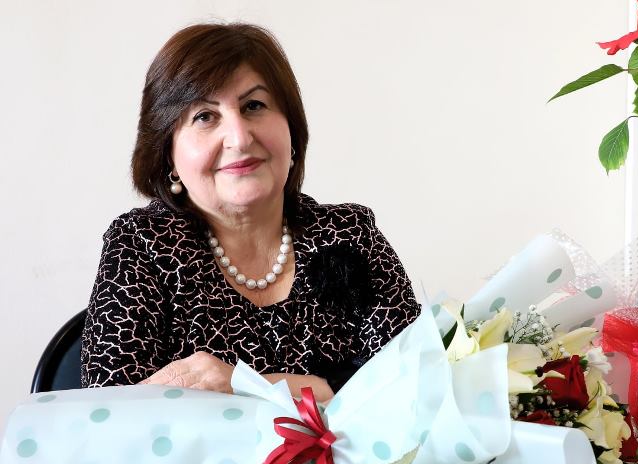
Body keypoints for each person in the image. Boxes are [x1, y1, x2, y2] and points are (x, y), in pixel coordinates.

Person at [80, 23, 420, 402]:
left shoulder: (349, 232)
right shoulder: (142, 244)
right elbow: (113, 410)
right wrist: (325, 388)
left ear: (292, 131)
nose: (240, 138)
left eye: (253, 106)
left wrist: (246, 386)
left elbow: (418, 380)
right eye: (205, 116)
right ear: (168, 154)